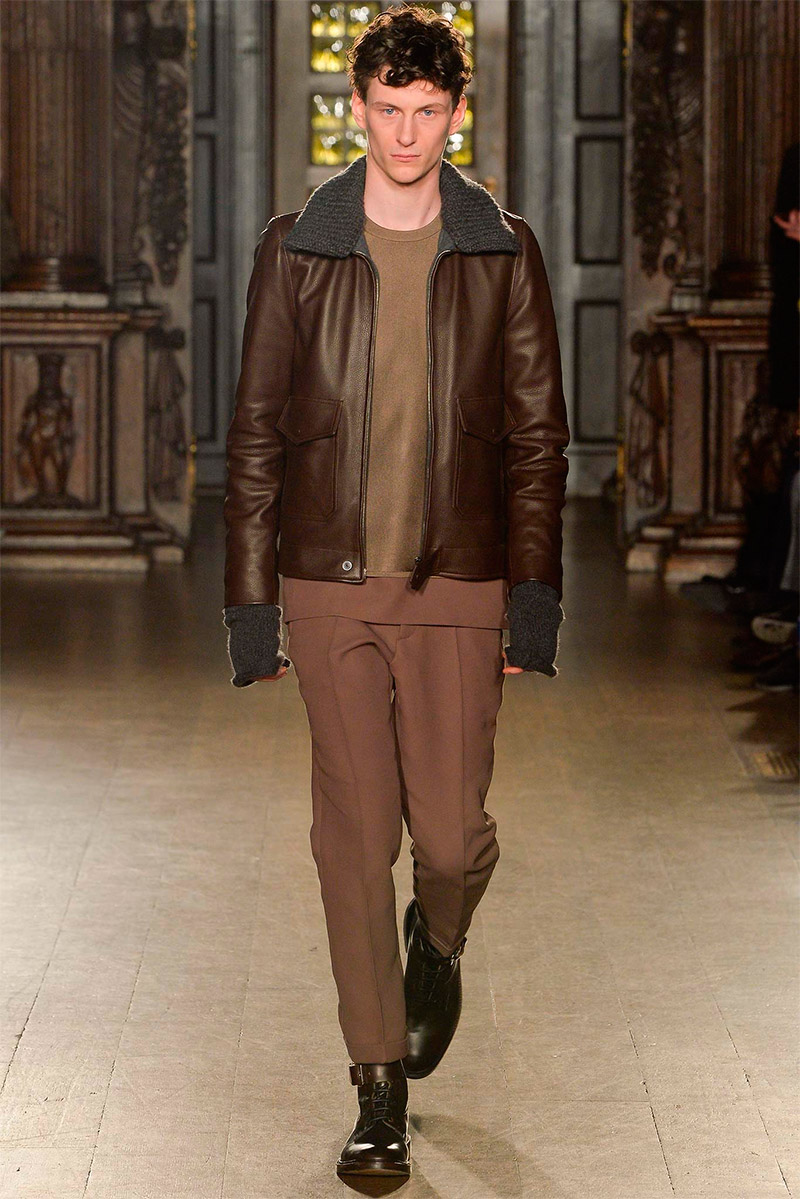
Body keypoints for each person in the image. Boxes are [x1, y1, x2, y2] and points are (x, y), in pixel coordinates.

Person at [222, 5, 569, 1182]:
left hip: (458, 577)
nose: (407, 133)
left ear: (455, 113)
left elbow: (536, 437)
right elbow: (255, 430)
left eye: (427, 112)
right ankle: (377, 1082)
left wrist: (532, 595)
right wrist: (249, 602)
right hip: (328, 580)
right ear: (357, 108)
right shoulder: (299, 246)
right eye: (388, 110)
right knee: (353, 838)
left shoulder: (501, 249)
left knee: (452, 838)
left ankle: (441, 930)